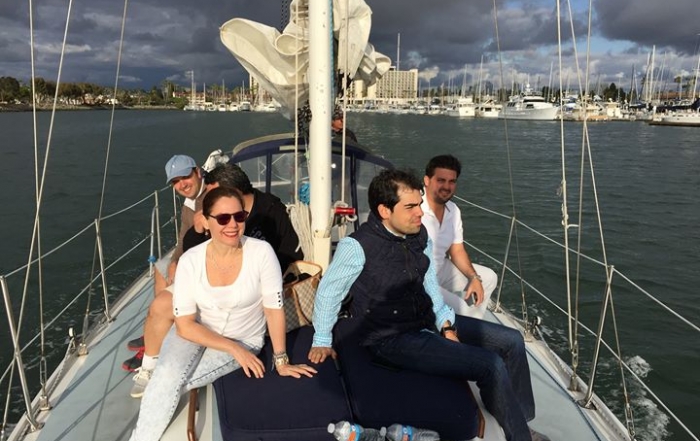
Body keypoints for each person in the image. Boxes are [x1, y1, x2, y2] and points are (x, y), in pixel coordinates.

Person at [307, 169, 548, 441]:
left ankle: (521, 420)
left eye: (419, 204)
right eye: (410, 207)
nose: (420, 213)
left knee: (513, 341)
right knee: (489, 365)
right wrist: (322, 339)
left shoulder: (418, 234)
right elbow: (329, 292)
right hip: (391, 338)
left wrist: (446, 324)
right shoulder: (357, 246)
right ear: (384, 210)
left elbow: (429, 281)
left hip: (425, 319)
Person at [128, 187, 316, 441]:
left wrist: (281, 361)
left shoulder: (261, 253)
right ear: (206, 221)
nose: (233, 225)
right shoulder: (191, 260)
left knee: (165, 382)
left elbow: (273, 310)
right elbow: (184, 326)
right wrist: (233, 349)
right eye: (223, 218)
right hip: (196, 331)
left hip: (244, 338)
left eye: (239, 216)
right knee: (166, 374)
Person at [122, 155, 206, 372]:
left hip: (205, 267)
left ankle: (157, 331)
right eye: (175, 182)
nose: (182, 185)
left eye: (185, 177)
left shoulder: (211, 199)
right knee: (162, 267)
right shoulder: (190, 203)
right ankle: (158, 329)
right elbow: (183, 238)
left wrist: (182, 266)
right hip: (192, 258)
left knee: (160, 303)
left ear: (198, 172)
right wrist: (175, 262)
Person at [421, 154, 498, 319]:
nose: (446, 187)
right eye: (441, 180)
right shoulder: (414, 208)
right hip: (420, 277)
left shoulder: (453, 211)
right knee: (463, 310)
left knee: (489, 278)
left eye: (452, 181)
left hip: (441, 269)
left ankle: (473, 323)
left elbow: (457, 250)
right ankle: (465, 321)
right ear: (427, 180)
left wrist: (474, 277)